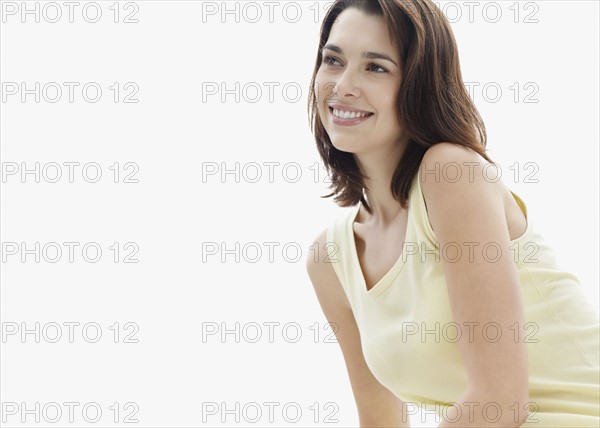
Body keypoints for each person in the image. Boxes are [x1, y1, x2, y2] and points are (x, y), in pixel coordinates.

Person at [304, 1, 600, 427]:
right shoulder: (328, 260)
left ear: (418, 86)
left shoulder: (450, 173)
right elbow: (380, 420)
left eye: (376, 68)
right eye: (332, 60)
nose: (343, 85)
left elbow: (498, 401)